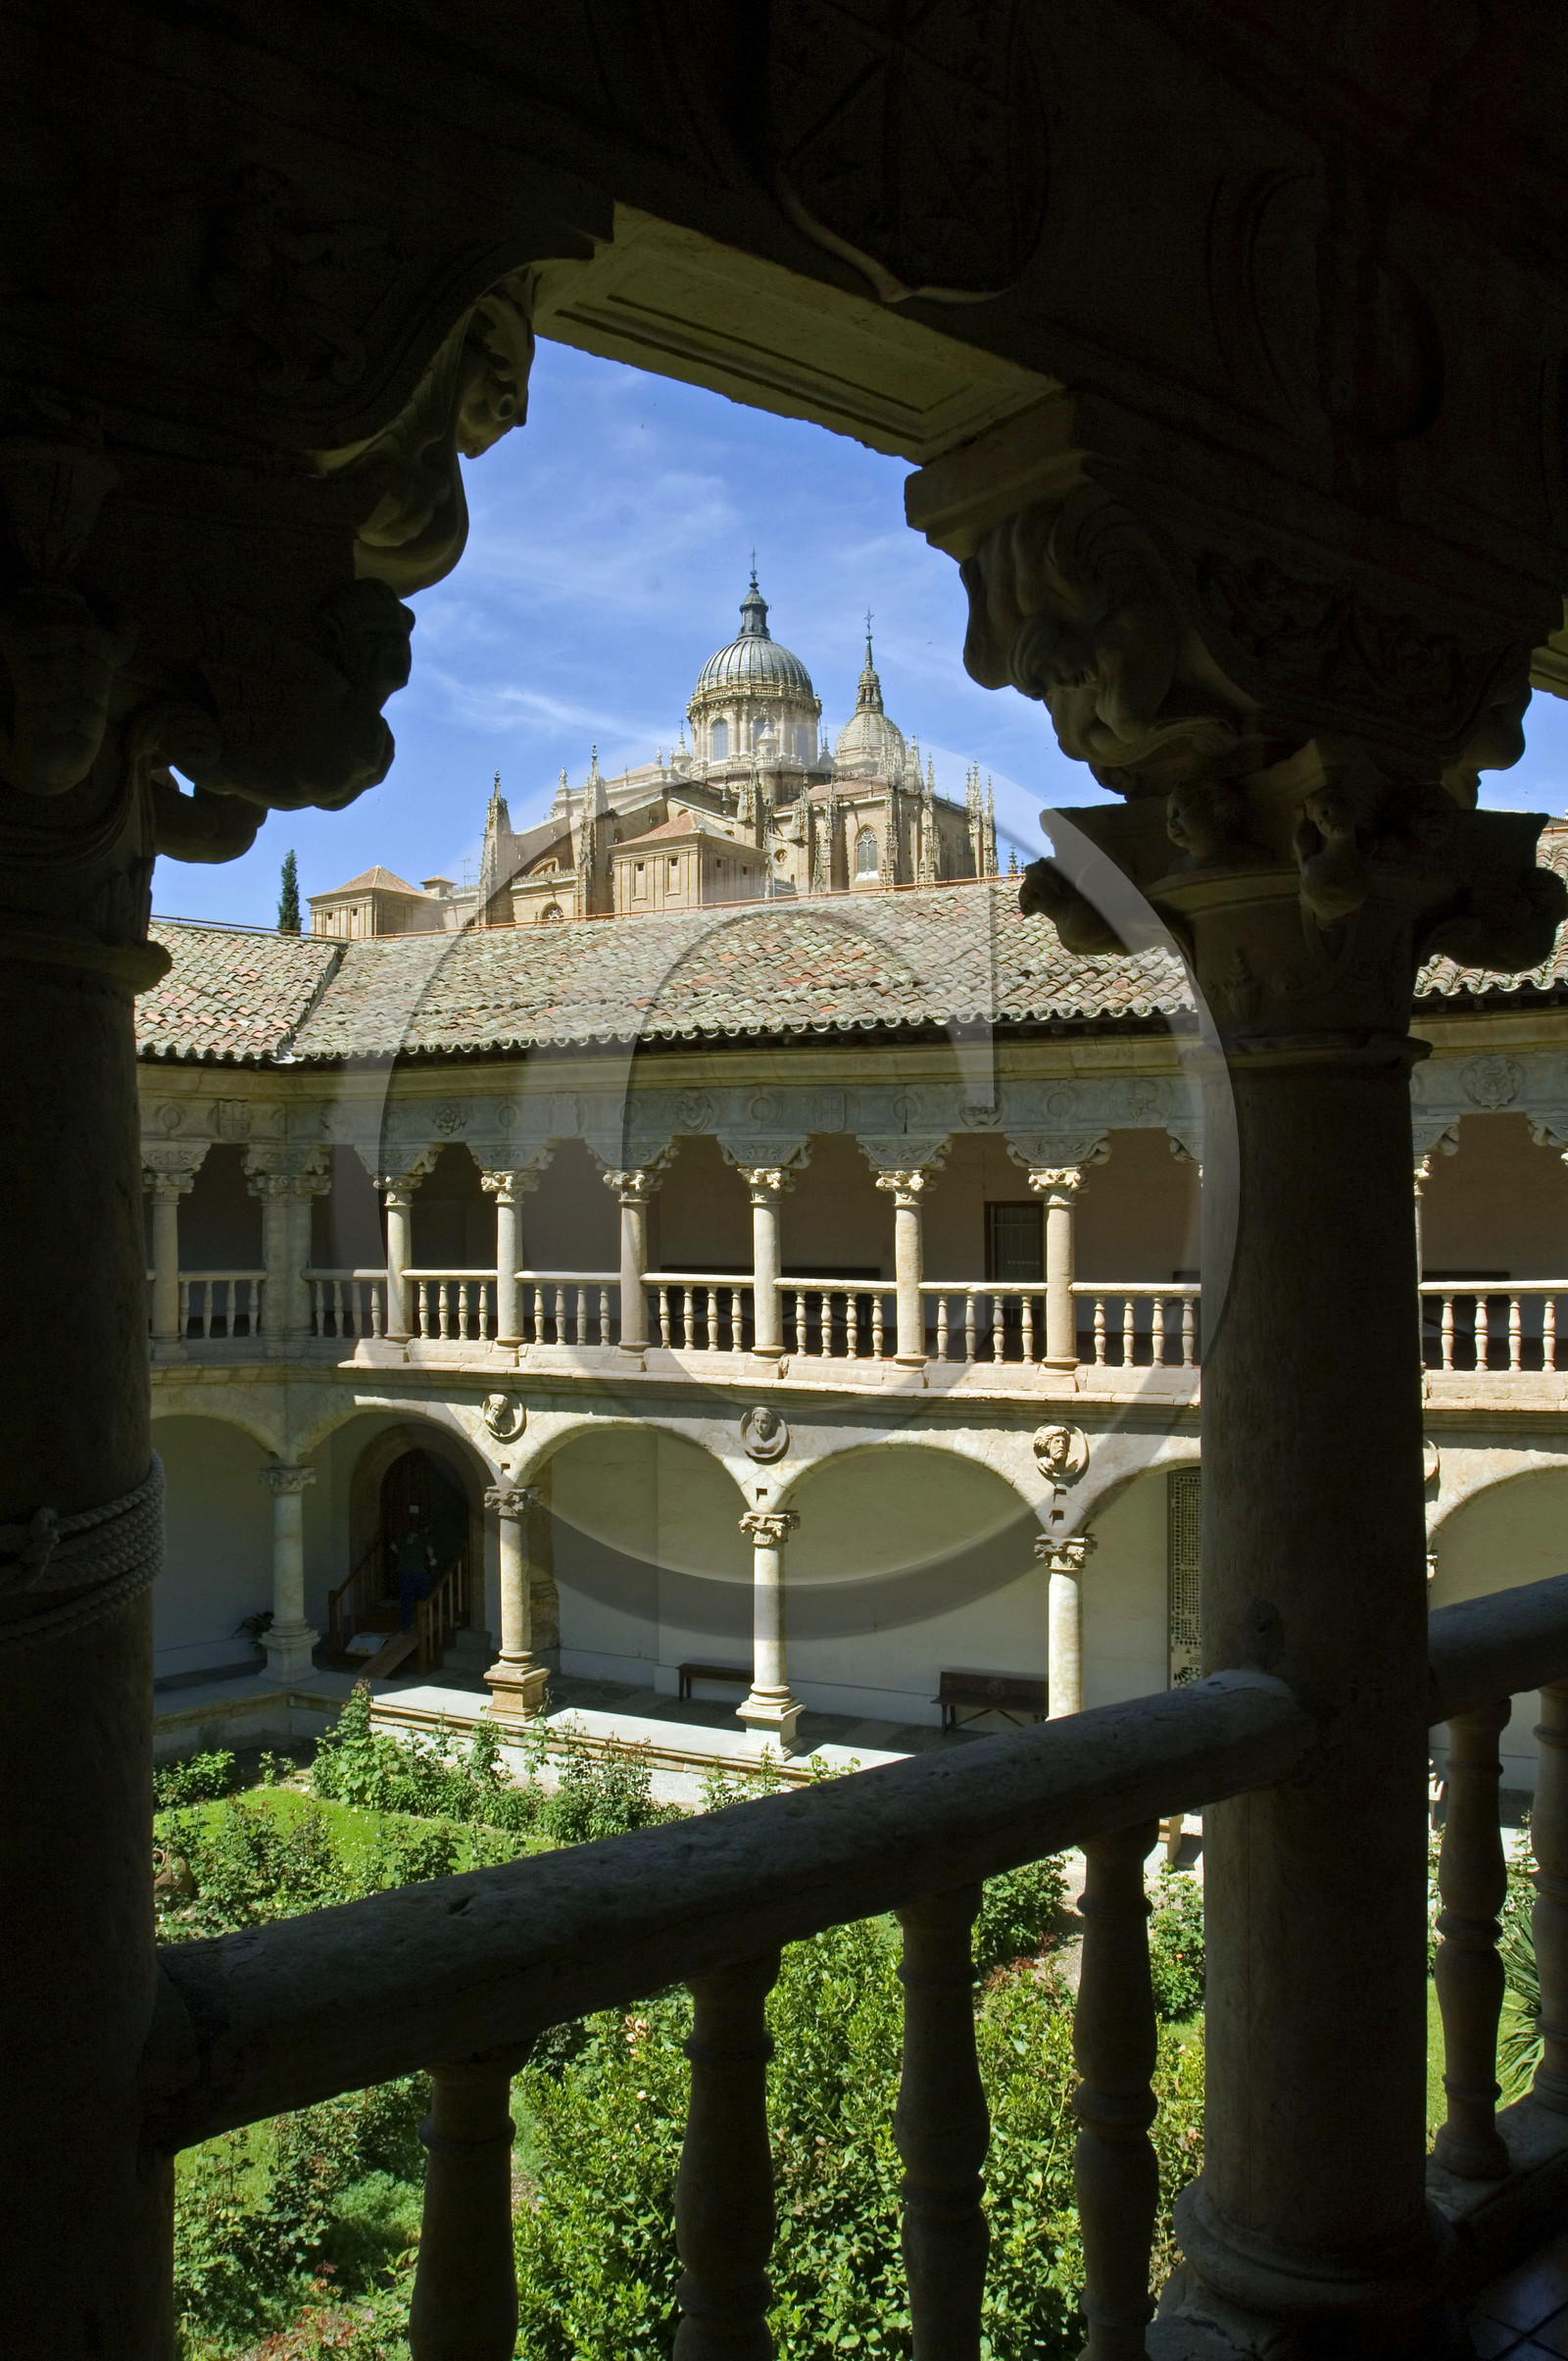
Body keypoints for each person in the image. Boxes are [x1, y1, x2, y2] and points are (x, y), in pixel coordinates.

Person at [394, 1506, 437, 1631]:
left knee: (406, 1598)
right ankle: (424, 1624)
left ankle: (406, 1625)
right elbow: (429, 1549)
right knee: (424, 1596)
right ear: (427, 1527)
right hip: (417, 1569)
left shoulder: (407, 1536)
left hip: (403, 1570)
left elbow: (393, 1546)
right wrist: (432, 1560)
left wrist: (401, 1555)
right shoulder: (423, 1536)